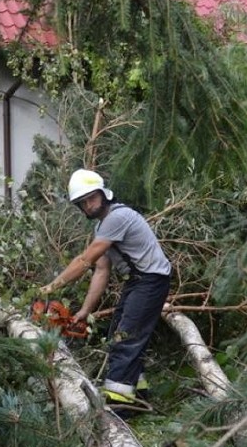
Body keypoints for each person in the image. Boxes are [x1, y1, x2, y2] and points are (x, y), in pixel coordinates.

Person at [39, 169, 171, 411]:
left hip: (151, 280)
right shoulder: (102, 228)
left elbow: (84, 260)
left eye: (91, 198)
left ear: (103, 194)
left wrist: (51, 287)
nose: (88, 205)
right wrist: (85, 311)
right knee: (119, 335)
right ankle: (137, 393)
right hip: (138, 281)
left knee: (126, 338)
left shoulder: (116, 218)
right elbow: (101, 270)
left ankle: (119, 406)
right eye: (83, 202)